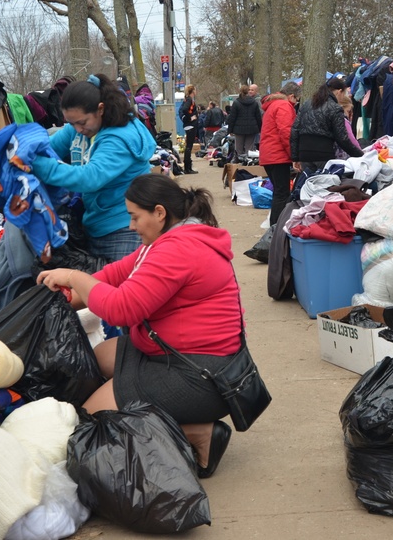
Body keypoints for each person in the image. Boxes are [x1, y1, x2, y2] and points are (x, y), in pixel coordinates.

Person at [36, 173, 242, 478]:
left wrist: (72, 278)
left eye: (134, 217)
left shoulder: (179, 250)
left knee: (90, 423)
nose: (131, 226)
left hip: (200, 376)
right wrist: (56, 300)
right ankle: (158, 412)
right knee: (92, 361)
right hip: (175, 354)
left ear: (159, 213)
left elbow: (121, 308)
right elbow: (113, 275)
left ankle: (197, 431)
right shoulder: (165, 240)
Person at [31, 74, 156, 264]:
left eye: (81, 122)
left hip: (124, 228)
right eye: (71, 123)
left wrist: (37, 165)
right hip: (95, 223)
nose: (77, 129)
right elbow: (50, 147)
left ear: (100, 109)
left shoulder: (120, 137)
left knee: (118, 291)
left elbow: (89, 178)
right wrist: (23, 150)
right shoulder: (82, 126)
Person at [290, 76, 364, 174]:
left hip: (304, 153)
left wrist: (295, 157)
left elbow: (294, 130)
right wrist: (360, 155)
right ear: (339, 91)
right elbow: (342, 138)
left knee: (310, 185)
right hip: (323, 153)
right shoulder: (335, 108)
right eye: (344, 93)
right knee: (325, 185)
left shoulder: (307, 104)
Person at [259, 82, 300, 225]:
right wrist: (294, 155)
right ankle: (276, 227)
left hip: (269, 155)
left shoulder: (273, 105)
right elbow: (286, 132)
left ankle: (274, 226)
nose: (296, 103)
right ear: (291, 96)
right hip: (278, 156)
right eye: (296, 99)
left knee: (279, 192)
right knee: (282, 193)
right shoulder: (284, 106)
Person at [226, 84, 263, 163]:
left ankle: (238, 164)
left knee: (238, 148)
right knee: (249, 149)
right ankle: (248, 164)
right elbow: (258, 117)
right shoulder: (254, 102)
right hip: (252, 129)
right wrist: (260, 128)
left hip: (238, 129)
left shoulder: (236, 103)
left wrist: (230, 130)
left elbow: (232, 118)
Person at [179, 85, 199, 174]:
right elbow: (185, 109)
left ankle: (187, 167)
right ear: (193, 91)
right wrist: (190, 117)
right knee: (189, 147)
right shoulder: (190, 100)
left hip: (188, 125)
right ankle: (187, 168)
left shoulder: (186, 99)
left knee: (188, 146)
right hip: (190, 125)